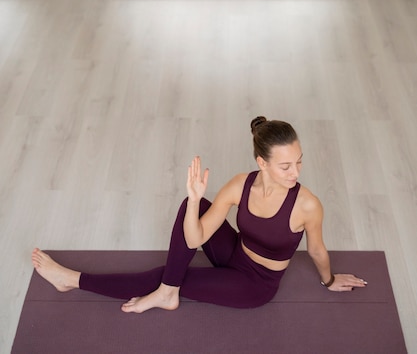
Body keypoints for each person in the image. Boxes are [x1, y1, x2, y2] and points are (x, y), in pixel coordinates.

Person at [32, 116, 367, 314]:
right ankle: (168, 289)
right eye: (285, 165)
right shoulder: (240, 185)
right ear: (261, 163)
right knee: (193, 207)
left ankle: (74, 281)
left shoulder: (307, 205)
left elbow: (317, 250)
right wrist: (194, 200)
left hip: (255, 284)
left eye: (299, 161)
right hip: (234, 254)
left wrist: (330, 279)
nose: (295, 172)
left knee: (165, 276)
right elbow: (195, 237)